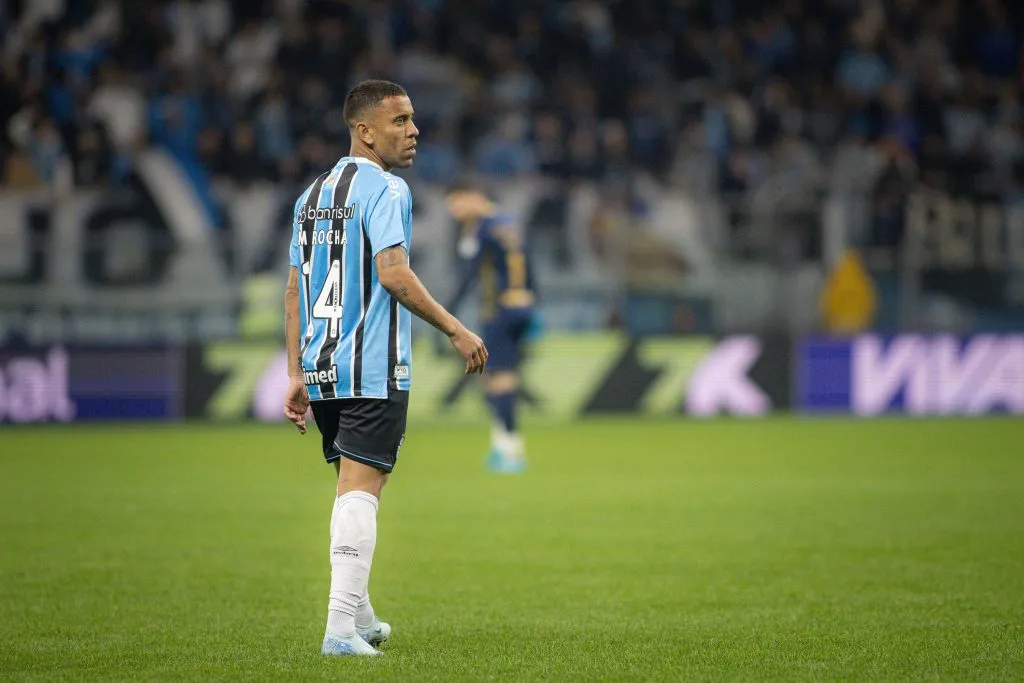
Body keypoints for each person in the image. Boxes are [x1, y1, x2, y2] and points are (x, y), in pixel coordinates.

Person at [282, 80, 488, 657]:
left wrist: (295, 372)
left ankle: (362, 616)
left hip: (322, 366)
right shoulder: (388, 189)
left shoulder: (310, 197)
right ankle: (339, 631)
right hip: (372, 365)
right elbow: (393, 272)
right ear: (365, 131)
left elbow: (295, 289)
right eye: (400, 121)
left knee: (356, 485)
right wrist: (456, 328)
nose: (413, 131)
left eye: (412, 119)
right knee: (361, 491)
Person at [444, 183, 538, 473]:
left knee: (499, 378)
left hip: (498, 309)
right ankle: (501, 444)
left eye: (457, 202)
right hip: (522, 304)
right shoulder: (510, 223)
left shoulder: (481, 229)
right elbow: (529, 265)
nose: (455, 211)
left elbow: (469, 276)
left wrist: (446, 314)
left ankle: (510, 450)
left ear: (475, 196)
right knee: (498, 376)